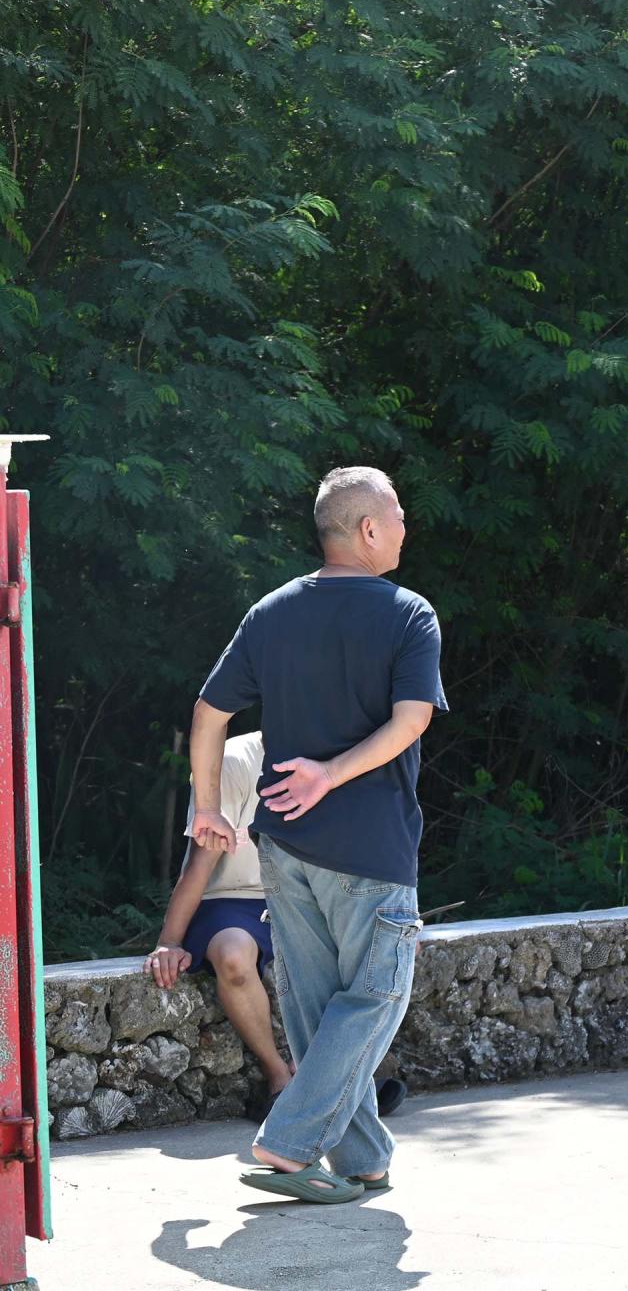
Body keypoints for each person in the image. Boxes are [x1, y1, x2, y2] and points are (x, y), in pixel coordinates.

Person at [189, 466, 446, 1204]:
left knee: (318, 1010)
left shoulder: (271, 611)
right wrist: (330, 775)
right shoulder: (409, 614)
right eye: (398, 515)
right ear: (368, 529)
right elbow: (412, 721)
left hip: (285, 848)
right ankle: (289, 1141)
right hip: (370, 847)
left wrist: (208, 806)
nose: (404, 527)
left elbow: (208, 712)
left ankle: (363, 1157)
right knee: (375, 999)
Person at [145, 730, 409, 1124]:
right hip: (230, 898)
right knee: (233, 956)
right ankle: (280, 1080)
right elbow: (200, 861)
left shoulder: (341, 756)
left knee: (376, 943)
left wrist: (392, 917)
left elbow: (359, 851)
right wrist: (169, 941)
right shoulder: (231, 761)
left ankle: (343, 1083)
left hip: (307, 892)